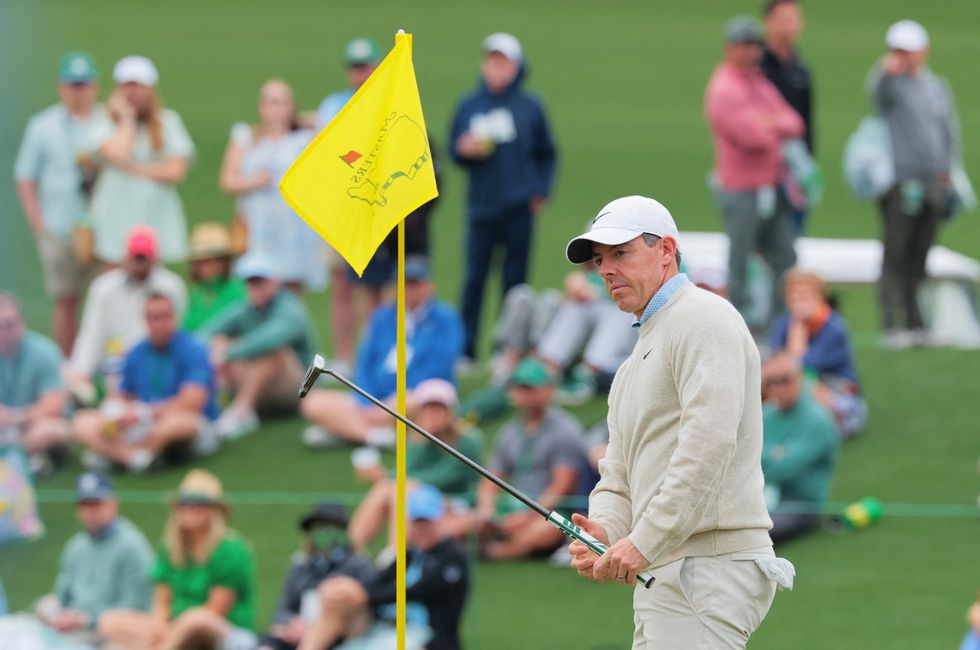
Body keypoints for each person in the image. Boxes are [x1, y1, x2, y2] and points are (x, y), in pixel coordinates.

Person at [565, 196, 790, 648]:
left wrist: (643, 540)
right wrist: (605, 531)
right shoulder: (635, 360)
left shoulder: (704, 318)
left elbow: (708, 445)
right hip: (672, 570)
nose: (605, 269)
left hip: (706, 567)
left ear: (666, 250)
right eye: (598, 259)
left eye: (620, 253)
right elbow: (619, 470)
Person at [450, 32, 558, 362]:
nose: (496, 68)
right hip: (481, 207)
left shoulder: (530, 107)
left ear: (516, 66)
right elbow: (456, 149)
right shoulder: (469, 105)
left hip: (518, 207)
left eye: (503, 62)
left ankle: (507, 348)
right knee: (474, 279)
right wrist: (464, 149)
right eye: (491, 61)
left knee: (514, 282)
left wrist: (539, 191)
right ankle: (467, 349)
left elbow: (547, 153)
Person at [301, 256, 463, 447]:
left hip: (415, 395)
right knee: (313, 403)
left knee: (409, 401)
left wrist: (393, 399)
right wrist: (368, 402)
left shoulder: (445, 319)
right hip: (375, 401)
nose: (408, 290)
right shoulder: (382, 318)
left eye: (414, 284)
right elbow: (365, 364)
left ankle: (348, 430)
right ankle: (375, 436)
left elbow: (440, 367)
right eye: (403, 284)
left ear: (428, 286)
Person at [705, 16, 805, 326]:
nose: (751, 52)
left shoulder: (759, 82)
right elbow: (751, 137)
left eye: (755, 45)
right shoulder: (725, 88)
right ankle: (736, 326)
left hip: (770, 186)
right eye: (744, 45)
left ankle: (779, 325)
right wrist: (770, 123)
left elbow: (794, 122)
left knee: (785, 257)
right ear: (730, 48)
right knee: (740, 258)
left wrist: (767, 122)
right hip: (741, 187)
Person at [867, 20, 960, 348]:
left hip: (933, 181)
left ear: (923, 51)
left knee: (920, 254)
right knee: (896, 251)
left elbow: (949, 131)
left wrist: (948, 169)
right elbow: (876, 96)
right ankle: (892, 324)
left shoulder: (936, 86)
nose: (903, 57)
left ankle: (918, 322)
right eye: (898, 51)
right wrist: (885, 71)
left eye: (908, 51)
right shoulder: (891, 85)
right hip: (900, 181)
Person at [99, 469, 258, 650]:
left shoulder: (231, 548)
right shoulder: (171, 547)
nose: (190, 508)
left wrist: (171, 631)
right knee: (110, 621)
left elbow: (215, 611)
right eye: (185, 503)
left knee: (195, 619)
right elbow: (162, 601)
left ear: (213, 510)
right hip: (175, 630)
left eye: (198, 503)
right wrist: (158, 627)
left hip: (222, 632)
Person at [14, 52, 108, 354]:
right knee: (66, 301)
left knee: (104, 299)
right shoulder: (42, 126)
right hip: (59, 225)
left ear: (94, 86)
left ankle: (106, 367)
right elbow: (25, 177)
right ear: (61, 87)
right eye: (72, 85)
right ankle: (66, 368)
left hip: (103, 226)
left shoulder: (109, 122)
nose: (78, 91)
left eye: (83, 84)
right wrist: (39, 225)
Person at [298, 485, 469, 650]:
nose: (421, 529)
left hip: (426, 637)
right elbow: (379, 581)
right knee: (340, 596)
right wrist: (352, 590)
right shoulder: (410, 554)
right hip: (385, 629)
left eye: (427, 522)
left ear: (440, 521)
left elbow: (418, 590)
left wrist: (363, 595)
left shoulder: (452, 557)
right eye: (417, 523)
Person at [73, 292, 220, 473]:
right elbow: (121, 396)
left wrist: (145, 413)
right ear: (145, 320)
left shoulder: (194, 349)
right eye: (154, 318)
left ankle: (115, 454)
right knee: (82, 421)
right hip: (143, 425)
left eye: (164, 317)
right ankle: (137, 459)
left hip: (184, 423)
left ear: (174, 317)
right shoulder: (136, 352)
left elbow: (191, 403)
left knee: (174, 424)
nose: (160, 324)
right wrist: (118, 415)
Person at [347, 379, 483, 553]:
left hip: (458, 502)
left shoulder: (468, 441)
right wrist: (421, 439)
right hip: (428, 497)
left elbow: (443, 477)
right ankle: (352, 547)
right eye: (428, 408)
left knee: (401, 487)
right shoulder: (417, 437)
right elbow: (406, 470)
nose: (433, 413)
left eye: (439, 408)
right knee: (386, 488)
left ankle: (395, 553)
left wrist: (385, 476)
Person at [315, 38, 384, 377]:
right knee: (341, 285)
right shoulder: (333, 104)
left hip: (373, 207)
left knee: (372, 288)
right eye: (355, 67)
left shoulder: (386, 102)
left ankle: (371, 355)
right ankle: (345, 355)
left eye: (365, 66)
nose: (360, 73)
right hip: (341, 208)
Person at [220, 78, 324, 293]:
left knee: (293, 287)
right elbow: (228, 181)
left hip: (293, 226)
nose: (276, 109)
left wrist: (300, 121)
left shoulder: (302, 140)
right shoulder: (247, 138)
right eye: (271, 102)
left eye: (282, 103)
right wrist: (253, 182)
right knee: (259, 284)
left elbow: (326, 122)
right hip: (259, 224)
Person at [475, 357, 585, 560]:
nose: (526, 394)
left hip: (550, 512)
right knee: (465, 520)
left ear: (549, 389)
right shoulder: (508, 432)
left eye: (532, 388)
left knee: (545, 531)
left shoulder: (566, 430)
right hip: (512, 509)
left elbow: (562, 486)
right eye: (521, 388)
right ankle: (495, 542)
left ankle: (498, 552)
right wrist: (488, 512)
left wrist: (526, 516)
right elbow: (490, 480)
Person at [199, 251, 317, 439]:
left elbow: (270, 338)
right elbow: (207, 333)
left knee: (272, 352)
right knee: (220, 342)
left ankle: (242, 410)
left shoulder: (290, 308)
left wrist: (227, 352)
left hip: (298, 390)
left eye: (260, 281)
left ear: (275, 282)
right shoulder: (247, 308)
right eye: (251, 282)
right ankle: (224, 404)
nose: (255, 287)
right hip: (263, 388)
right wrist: (217, 349)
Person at [89, 55, 194, 264]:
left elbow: (176, 171)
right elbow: (119, 154)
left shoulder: (168, 122)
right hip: (115, 215)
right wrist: (126, 119)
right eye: (127, 87)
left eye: (138, 87)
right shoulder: (104, 122)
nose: (133, 93)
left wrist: (134, 168)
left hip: (155, 214)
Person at [67, 225, 187, 401]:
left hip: (155, 362)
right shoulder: (103, 288)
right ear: (126, 257)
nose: (139, 262)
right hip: (113, 364)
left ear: (155, 258)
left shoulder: (171, 287)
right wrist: (81, 370)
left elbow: (176, 331)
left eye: (143, 257)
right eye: (136, 257)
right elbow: (92, 333)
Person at [34, 472, 153, 643]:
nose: (91, 511)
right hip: (71, 627)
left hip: (106, 632)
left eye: (96, 503)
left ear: (113, 504)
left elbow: (138, 607)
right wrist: (54, 612)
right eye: (85, 504)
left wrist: (87, 618)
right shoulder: (76, 547)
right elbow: (60, 596)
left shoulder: (131, 546)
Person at [258, 502, 375, 650]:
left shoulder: (359, 566)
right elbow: (283, 609)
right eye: (319, 528)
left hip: (338, 636)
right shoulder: (300, 565)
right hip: (296, 633)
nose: (324, 534)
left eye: (330, 528)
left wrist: (313, 630)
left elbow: (365, 612)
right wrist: (293, 624)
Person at [767, 269, 867, 437]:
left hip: (836, 392)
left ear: (820, 297)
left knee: (805, 386)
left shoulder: (834, 328)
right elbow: (772, 364)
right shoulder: (784, 323)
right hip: (795, 387)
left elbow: (800, 368)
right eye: (794, 296)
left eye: (805, 295)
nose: (799, 301)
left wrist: (797, 336)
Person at [760, 353, 839, 544]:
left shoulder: (817, 419)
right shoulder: (767, 414)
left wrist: (764, 456)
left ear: (800, 379)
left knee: (754, 532)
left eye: (785, 380)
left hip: (800, 505)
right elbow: (743, 456)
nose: (778, 388)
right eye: (771, 382)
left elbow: (785, 468)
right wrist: (775, 453)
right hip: (762, 496)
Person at [0, 293, 71, 474]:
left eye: (10, 324)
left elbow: (54, 405)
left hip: (34, 425)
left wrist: (16, 417)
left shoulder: (44, 351)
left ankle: (16, 458)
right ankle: (26, 460)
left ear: (22, 323)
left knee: (52, 429)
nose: (5, 332)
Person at [761, 0, 815, 233]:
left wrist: (809, 166)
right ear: (768, 22)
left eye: (794, 19)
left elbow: (807, 124)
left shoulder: (800, 69)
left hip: (795, 171)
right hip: (762, 172)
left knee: (792, 237)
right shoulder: (757, 68)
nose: (789, 26)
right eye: (784, 19)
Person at [182, 222, 247, 333]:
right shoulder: (197, 292)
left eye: (207, 261)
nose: (200, 267)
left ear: (223, 261)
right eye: (198, 262)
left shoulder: (238, 291)